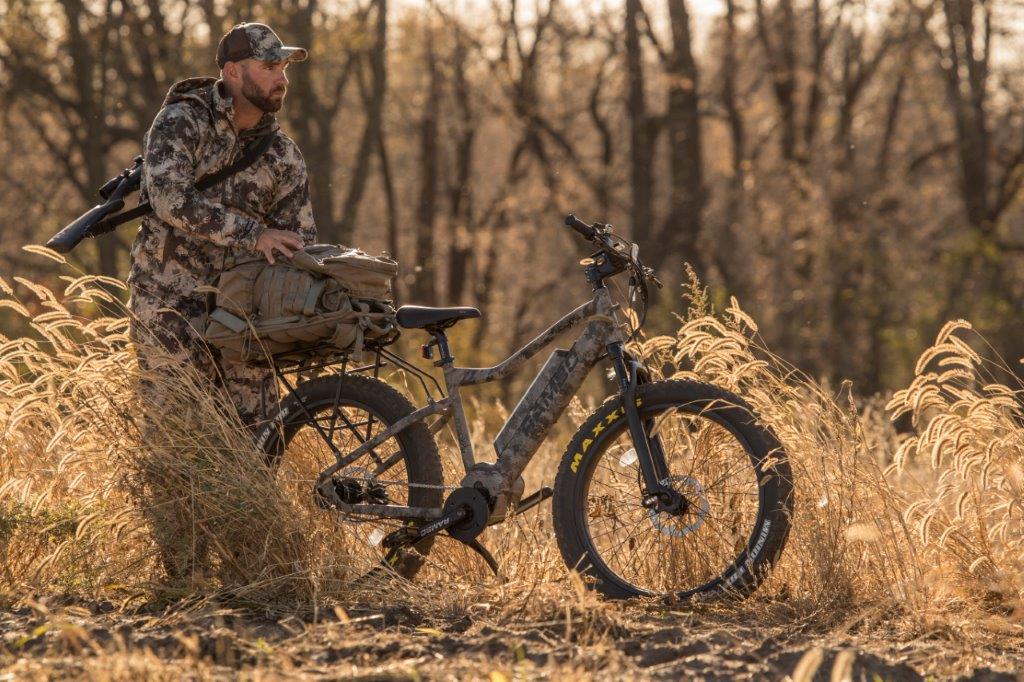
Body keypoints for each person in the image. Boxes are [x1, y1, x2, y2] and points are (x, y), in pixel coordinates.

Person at [126, 22, 316, 581]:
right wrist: (249, 233)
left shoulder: (283, 154)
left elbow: (296, 239)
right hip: (168, 301)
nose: (281, 77)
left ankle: (247, 577)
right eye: (269, 66)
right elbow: (167, 198)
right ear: (233, 73)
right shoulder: (182, 121)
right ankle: (182, 577)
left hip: (244, 317)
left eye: (284, 67)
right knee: (174, 433)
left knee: (253, 436)